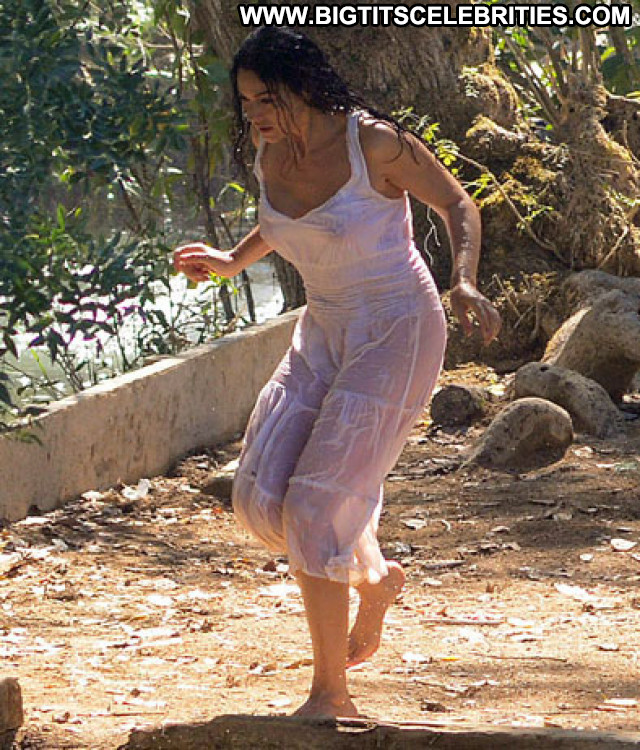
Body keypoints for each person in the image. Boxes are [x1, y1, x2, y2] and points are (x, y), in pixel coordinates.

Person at [173, 26, 501, 719]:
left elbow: (455, 202)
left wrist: (465, 280)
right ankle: (373, 579)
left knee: (315, 508)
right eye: (246, 102)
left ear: (304, 87)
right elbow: (288, 222)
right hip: (324, 329)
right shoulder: (270, 149)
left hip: (397, 328)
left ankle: (331, 696)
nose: (255, 113)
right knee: (259, 497)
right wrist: (231, 260)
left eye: (267, 98)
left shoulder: (372, 143)